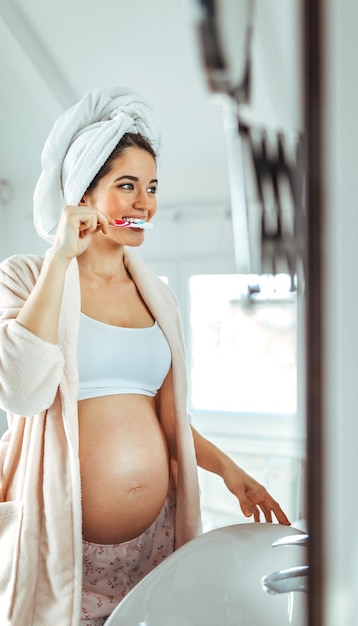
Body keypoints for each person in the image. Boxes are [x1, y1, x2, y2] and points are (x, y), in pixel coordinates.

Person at [0, 86, 290, 626]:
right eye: (126, 185)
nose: (145, 202)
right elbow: (22, 391)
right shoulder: (26, 278)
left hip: (153, 542)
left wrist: (233, 472)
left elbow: (169, 419)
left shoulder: (156, 293)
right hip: (66, 544)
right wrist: (61, 257)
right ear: (81, 193)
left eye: (151, 187)